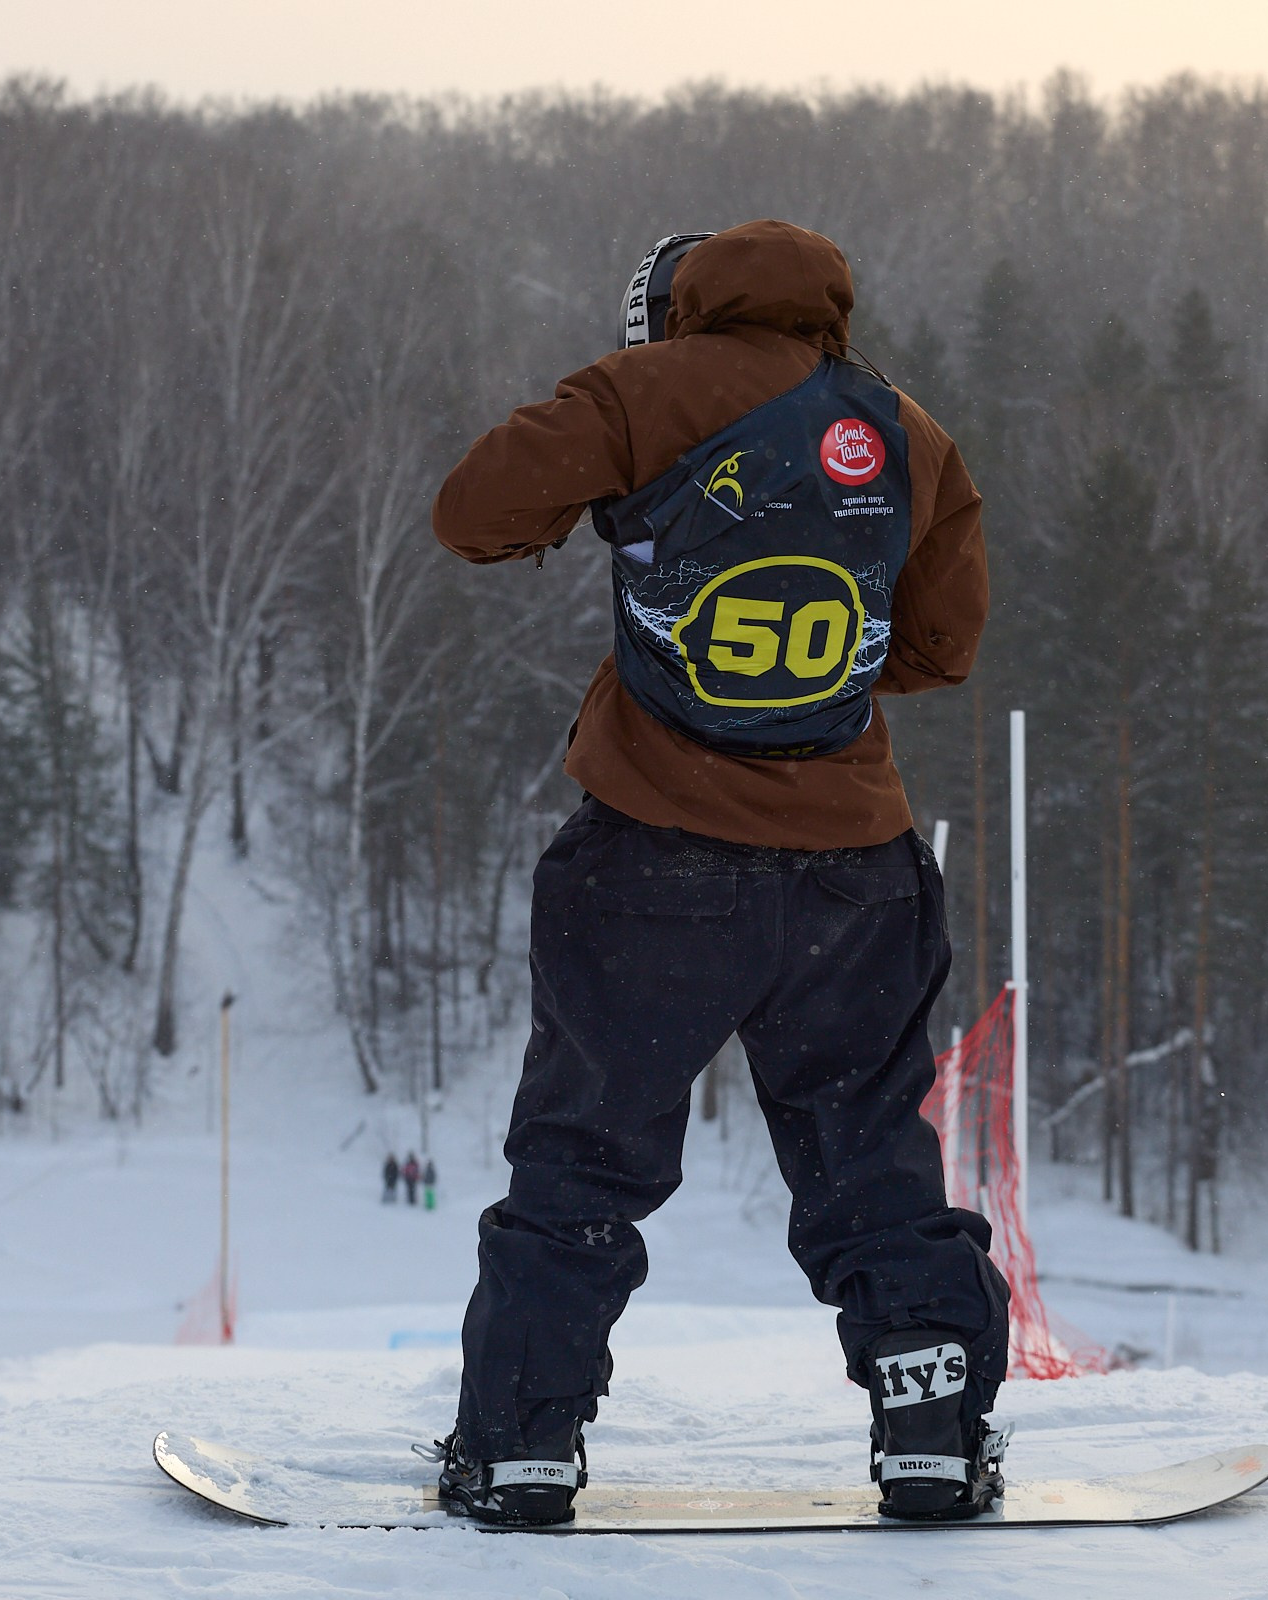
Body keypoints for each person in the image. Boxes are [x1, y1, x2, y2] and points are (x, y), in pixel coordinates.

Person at [420, 220, 1006, 1527]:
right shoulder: (908, 430)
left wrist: (630, 486)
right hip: (853, 869)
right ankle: (930, 1432)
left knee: (586, 1154)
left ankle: (522, 1442)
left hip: (649, 858)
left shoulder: (640, 393)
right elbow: (939, 645)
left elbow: (472, 517)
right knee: (868, 1155)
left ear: (672, 309)